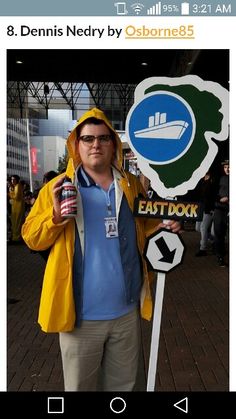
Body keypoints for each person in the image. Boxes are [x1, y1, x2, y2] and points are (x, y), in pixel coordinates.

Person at [22, 108, 180, 392]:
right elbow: (32, 238)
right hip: (79, 316)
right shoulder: (57, 188)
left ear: (113, 144)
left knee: (124, 389)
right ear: (77, 145)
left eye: (103, 138)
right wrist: (55, 218)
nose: (96, 145)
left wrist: (166, 227)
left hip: (126, 312)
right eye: (88, 139)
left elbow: (144, 229)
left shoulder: (131, 186)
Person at [195, 171, 216, 256]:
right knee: (198, 228)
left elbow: (214, 195)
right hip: (200, 208)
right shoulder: (201, 179)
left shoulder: (213, 180)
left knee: (203, 228)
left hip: (209, 209)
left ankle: (202, 249)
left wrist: (212, 208)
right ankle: (212, 239)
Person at [213, 160, 229, 267]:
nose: (228, 169)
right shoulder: (218, 178)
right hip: (220, 209)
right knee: (219, 233)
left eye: (229, 167)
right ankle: (220, 257)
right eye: (225, 167)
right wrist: (220, 199)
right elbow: (212, 193)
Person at [8, 174, 25, 242]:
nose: (12, 181)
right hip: (15, 207)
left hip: (18, 207)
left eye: (14, 179)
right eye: (12, 179)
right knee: (15, 222)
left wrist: (9, 193)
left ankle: (17, 238)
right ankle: (16, 237)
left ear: (17, 180)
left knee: (17, 222)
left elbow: (16, 197)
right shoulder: (15, 186)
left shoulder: (18, 186)